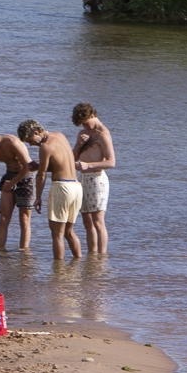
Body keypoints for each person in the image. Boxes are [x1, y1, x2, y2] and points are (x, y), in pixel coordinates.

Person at [26, 119, 83, 261]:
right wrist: (39, 166)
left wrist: (37, 197)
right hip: (76, 186)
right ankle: (79, 263)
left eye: (30, 140)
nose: (30, 144)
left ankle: (58, 273)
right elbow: (61, 165)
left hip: (62, 188)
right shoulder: (60, 136)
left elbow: (42, 175)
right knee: (69, 232)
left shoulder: (45, 147)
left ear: (36, 132)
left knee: (57, 234)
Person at [72, 101, 115, 257]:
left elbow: (111, 162)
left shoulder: (103, 134)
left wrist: (88, 165)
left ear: (92, 115)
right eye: (81, 124)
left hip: (97, 179)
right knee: (86, 222)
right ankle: (92, 256)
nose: (84, 126)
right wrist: (78, 145)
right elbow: (72, 158)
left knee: (98, 221)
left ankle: (101, 257)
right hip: (82, 179)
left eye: (85, 122)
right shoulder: (82, 134)